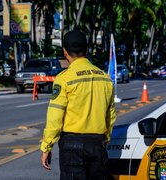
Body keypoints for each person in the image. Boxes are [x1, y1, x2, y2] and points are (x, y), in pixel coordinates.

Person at [40, 30, 116, 180]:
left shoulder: (64, 79)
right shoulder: (105, 78)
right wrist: (105, 139)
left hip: (72, 146)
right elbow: (110, 115)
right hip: (97, 144)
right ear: (86, 50)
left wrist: (46, 147)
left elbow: (55, 117)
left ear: (65, 52)